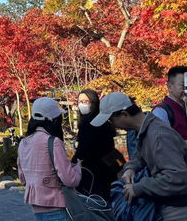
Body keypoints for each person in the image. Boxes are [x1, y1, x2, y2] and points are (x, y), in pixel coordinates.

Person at [92, 92, 187, 221]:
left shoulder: (158, 135)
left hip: (176, 208)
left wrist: (138, 188)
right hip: (167, 204)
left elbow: (177, 177)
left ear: (124, 115)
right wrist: (131, 168)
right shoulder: (145, 129)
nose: (113, 125)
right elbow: (140, 154)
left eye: (111, 120)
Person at [17, 97, 81, 221]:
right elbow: (70, 180)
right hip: (56, 205)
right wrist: (78, 168)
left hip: (36, 205)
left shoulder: (23, 143)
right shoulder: (52, 142)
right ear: (54, 120)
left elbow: (23, 179)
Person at [71, 89, 117, 200]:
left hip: (93, 171)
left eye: (86, 101)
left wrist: (72, 164)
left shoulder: (88, 123)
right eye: (80, 101)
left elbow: (84, 149)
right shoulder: (103, 121)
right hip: (107, 169)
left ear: (94, 103)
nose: (82, 104)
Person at [152, 66, 187, 140]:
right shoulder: (161, 112)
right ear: (170, 86)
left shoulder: (184, 109)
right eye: (183, 85)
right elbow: (163, 144)